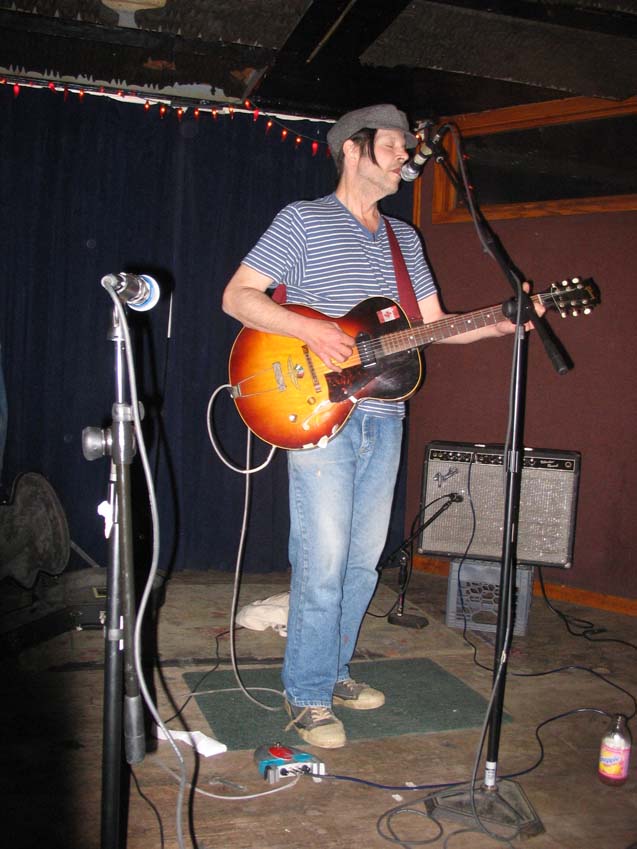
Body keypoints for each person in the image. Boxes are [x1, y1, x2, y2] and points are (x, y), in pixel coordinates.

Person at [222, 103, 542, 749]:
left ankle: (331, 671)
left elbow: (434, 322)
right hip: (318, 409)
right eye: (394, 145)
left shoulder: (403, 239)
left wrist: (500, 320)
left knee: (362, 561)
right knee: (323, 558)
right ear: (352, 149)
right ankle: (306, 695)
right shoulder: (302, 220)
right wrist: (312, 328)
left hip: (384, 413)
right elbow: (238, 296)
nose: (405, 157)